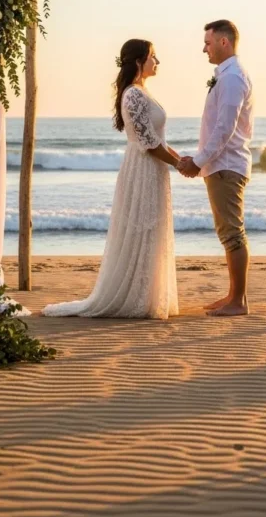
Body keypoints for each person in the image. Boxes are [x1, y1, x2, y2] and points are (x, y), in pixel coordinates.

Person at [42, 39, 180, 320]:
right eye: (153, 56)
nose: (158, 61)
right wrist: (179, 163)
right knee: (143, 225)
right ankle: (135, 297)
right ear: (140, 60)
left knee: (153, 227)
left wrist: (184, 159)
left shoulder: (143, 91)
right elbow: (148, 143)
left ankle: (149, 293)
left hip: (153, 168)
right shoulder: (133, 95)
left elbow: (158, 139)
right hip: (142, 168)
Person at [178, 20, 254, 316]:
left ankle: (238, 301)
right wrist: (200, 160)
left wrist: (198, 162)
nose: (204, 48)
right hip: (219, 165)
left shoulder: (233, 77)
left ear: (225, 42)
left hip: (226, 165)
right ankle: (234, 296)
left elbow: (224, 128)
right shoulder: (225, 76)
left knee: (232, 233)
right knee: (228, 232)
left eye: (208, 43)